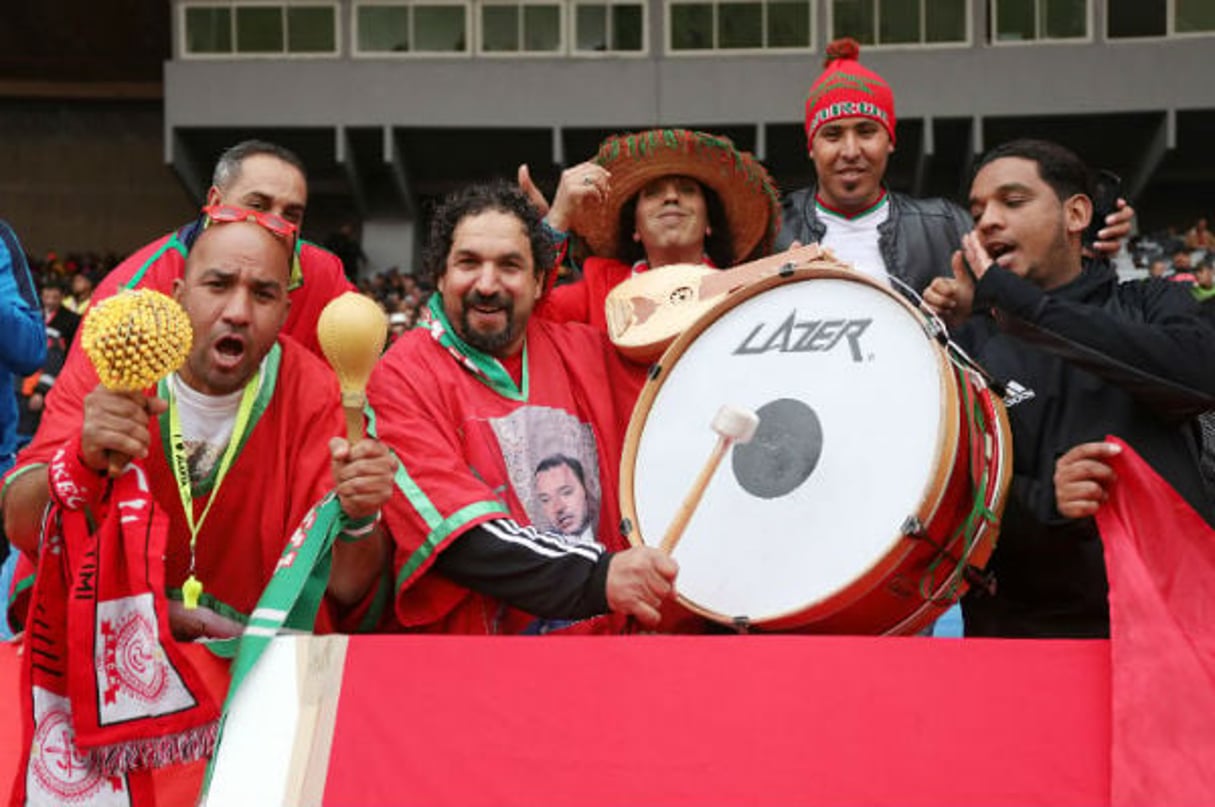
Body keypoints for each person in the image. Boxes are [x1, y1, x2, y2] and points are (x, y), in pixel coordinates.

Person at [3, 214, 395, 637]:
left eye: (263, 294)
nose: (238, 312)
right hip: (110, 654)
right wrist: (79, 460)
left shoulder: (317, 396)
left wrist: (360, 515)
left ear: (285, 312)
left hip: (251, 667)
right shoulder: (115, 363)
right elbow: (21, 524)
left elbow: (349, 584)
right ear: (179, 295)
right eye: (218, 285)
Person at [922, 138, 1215, 638]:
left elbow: (1197, 378)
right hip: (1023, 643)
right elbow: (947, 505)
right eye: (978, 211)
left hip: (1172, 635)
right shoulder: (965, 347)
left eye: (1012, 202)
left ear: (1076, 213)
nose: (988, 220)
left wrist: (1024, 309)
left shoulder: (1149, 302)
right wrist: (1046, 503)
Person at [2, 139, 355, 550]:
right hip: (150, 510)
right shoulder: (129, 294)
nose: (275, 226)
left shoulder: (324, 276)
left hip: (268, 518)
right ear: (214, 203)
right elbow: (54, 462)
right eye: (258, 206)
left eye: (291, 215)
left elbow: (354, 397)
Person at [366, 181, 678, 635]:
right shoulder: (402, 376)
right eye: (468, 263)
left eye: (510, 266)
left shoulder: (588, 353)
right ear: (439, 275)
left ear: (538, 282)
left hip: (608, 666)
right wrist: (600, 576)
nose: (487, 284)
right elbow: (463, 542)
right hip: (481, 681)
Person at [778, 38, 1132, 293]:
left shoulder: (947, 224)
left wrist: (1083, 247)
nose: (851, 150)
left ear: (891, 141)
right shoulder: (769, 231)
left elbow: (1030, 290)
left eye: (867, 131)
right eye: (833, 135)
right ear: (812, 146)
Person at [519, 128, 781, 332]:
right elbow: (523, 320)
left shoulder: (745, 292)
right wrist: (553, 225)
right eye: (653, 193)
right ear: (635, 228)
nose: (671, 197)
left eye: (687, 190)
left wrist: (796, 278)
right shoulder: (597, 291)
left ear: (709, 222)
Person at [534, 453, 594, 544]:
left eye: (566, 493)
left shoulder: (616, 530)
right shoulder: (543, 548)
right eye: (546, 500)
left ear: (586, 489)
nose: (558, 508)